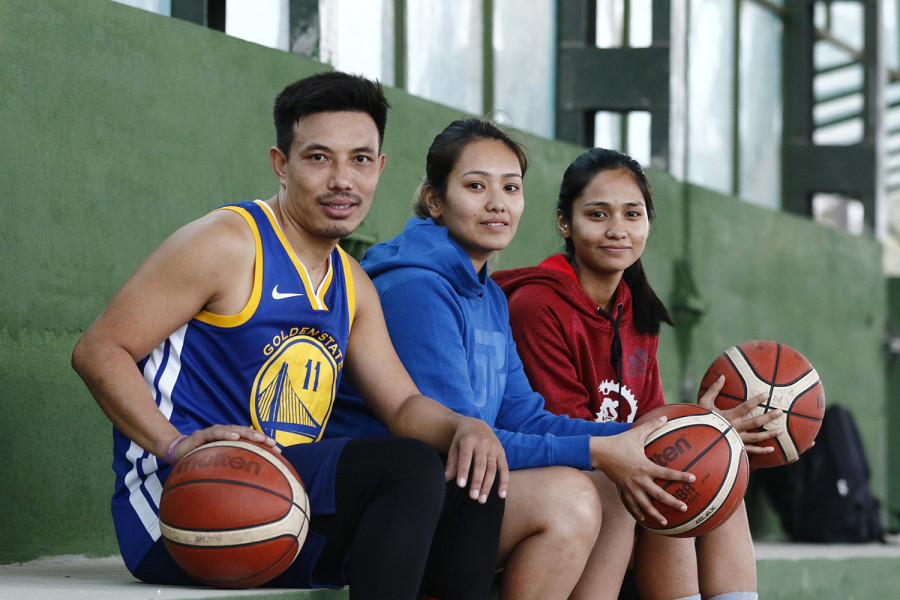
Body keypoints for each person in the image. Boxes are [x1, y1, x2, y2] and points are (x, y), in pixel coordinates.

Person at [71, 72, 509, 600]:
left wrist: (466, 428)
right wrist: (176, 444)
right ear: (281, 164)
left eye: (360, 160)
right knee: (409, 468)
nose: (343, 180)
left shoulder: (352, 283)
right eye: (319, 158)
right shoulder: (228, 244)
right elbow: (99, 350)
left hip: (283, 500)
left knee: (471, 474)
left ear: (379, 168)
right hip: (183, 502)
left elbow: (402, 405)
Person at [328, 118, 709, 600]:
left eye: (510, 187)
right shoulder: (415, 289)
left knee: (660, 476)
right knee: (573, 498)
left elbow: (524, 417)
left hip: (460, 496)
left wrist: (662, 435)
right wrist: (598, 451)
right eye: (476, 186)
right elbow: (461, 444)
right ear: (434, 200)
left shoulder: (487, 295)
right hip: (391, 515)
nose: (497, 203)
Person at [493, 147, 780, 600]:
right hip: (556, 481)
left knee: (717, 474)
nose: (617, 230)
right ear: (565, 222)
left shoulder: (637, 310)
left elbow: (650, 418)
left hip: (616, 480)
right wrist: (693, 429)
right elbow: (562, 432)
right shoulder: (537, 305)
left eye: (632, 214)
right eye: (597, 214)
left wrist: (709, 431)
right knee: (657, 471)